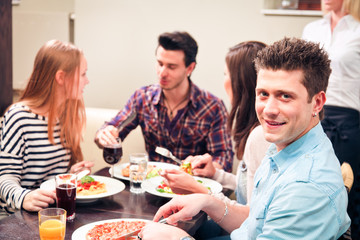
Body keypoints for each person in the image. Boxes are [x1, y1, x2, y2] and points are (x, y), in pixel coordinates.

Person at [138, 37, 351, 240]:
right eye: (263, 94)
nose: (269, 110)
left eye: (285, 96)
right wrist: (207, 201)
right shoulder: (285, 146)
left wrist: (179, 238)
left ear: (317, 102)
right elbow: (254, 223)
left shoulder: (305, 187)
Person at [94, 31, 233, 172]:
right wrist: (104, 135)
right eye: (160, 64)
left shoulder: (212, 107)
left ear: (190, 68)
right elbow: (114, 128)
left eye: (171, 67)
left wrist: (209, 167)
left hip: (192, 186)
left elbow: (223, 157)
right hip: (149, 183)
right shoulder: (142, 98)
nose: (162, 73)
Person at [159, 41, 270, 206]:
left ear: (241, 83)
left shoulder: (261, 136)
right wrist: (215, 174)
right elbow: (248, 189)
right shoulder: (256, 129)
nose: (162, 72)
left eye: (226, 74)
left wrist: (197, 188)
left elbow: (252, 218)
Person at [0, 40, 93, 215]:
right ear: (61, 77)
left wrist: (70, 174)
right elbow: (4, 177)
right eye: (83, 74)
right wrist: (25, 197)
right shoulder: (18, 117)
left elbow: (49, 179)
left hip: (51, 214)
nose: (87, 81)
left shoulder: (64, 115)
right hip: (17, 216)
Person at [302, 0, 360, 237]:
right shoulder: (312, 29)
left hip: (349, 120)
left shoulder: (358, 29)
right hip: (313, 116)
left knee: (349, 195)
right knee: (312, 189)